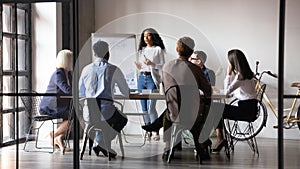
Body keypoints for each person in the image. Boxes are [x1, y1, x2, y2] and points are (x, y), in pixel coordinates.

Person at [161, 36, 212, 161]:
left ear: (177, 49)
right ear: (191, 51)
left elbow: (164, 89)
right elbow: (208, 91)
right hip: (193, 115)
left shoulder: (166, 67)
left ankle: (168, 147)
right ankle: (200, 145)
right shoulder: (195, 69)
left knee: (167, 114)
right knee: (206, 109)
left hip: (175, 115)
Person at [79, 40, 130, 158]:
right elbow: (126, 93)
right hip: (107, 114)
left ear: (94, 53)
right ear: (108, 54)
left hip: (89, 114)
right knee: (123, 119)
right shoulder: (113, 69)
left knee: (98, 121)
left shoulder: (86, 69)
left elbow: (81, 93)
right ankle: (102, 143)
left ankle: (100, 143)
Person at [211, 49, 257, 153]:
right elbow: (231, 93)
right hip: (249, 109)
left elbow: (227, 93)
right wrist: (219, 91)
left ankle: (220, 139)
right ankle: (220, 138)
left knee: (214, 108)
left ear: (233, 62)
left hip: (246, 112)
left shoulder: (240, 77)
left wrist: (228, 74)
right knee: (215, 108)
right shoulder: (247, 75)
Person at [134, 28, 166, 141]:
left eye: (148, 36)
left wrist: (152, 64)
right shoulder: (142, 50)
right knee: (144, 108)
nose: (146, 38)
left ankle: (155, 130)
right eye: (144, 36)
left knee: (151, 107)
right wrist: (139, 67)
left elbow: (163, 66)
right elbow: (142, 65)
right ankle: (148, 130)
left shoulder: (158, 49)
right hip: (142, 78)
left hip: (152, 79)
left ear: (153, 37)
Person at [39, 49, 73, 153]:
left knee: (75, 114)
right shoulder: (59, 73)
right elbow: (67, 89)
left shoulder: (68, 74)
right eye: (71, 59)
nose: (73, 61)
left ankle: (58, 139)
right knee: (74, 117)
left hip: (60, 105)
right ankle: (54, 135)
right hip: (50, 107)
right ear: (67, 60)